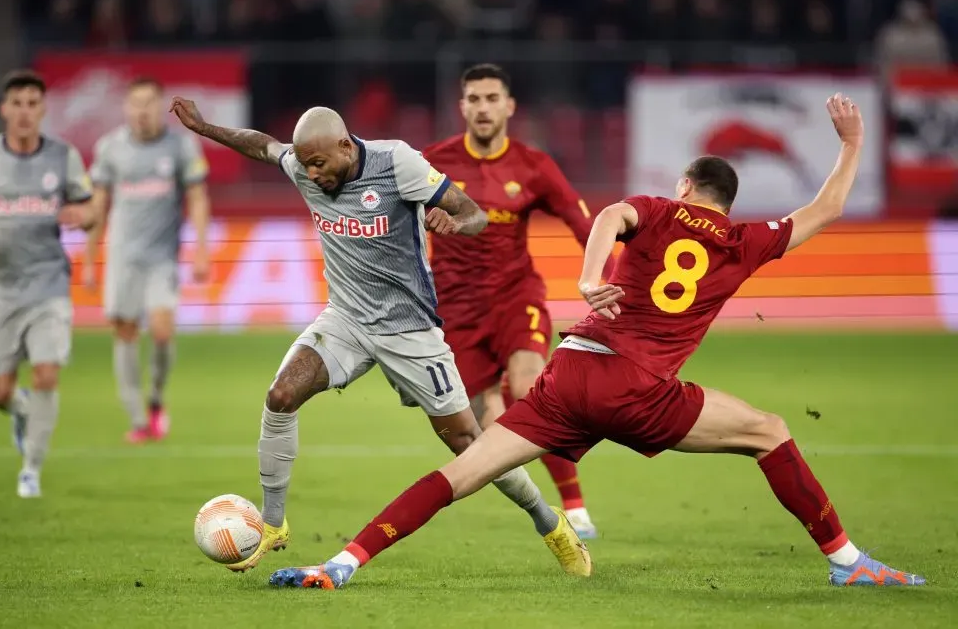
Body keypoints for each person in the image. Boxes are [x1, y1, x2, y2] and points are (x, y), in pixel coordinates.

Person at [270, 94, 927, 589]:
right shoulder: (745, 240)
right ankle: (847, 562)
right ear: (727, 201)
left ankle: (341, 563)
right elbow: (828, 209)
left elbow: (613, 213)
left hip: (572, 372)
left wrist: (588, 278)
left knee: (459, 473)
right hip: (640, 389)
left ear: (685, 187)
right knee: (770, 431)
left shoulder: (661, 208)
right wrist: (851, 141)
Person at [169, 98, 586, 575]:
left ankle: (549, 522)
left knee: (469, 442)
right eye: (305, 164)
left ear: (346, 147)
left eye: (321, 164)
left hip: (409, 329)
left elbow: (475, 214)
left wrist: (454, 223)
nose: (312, 174)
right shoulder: (304, 165)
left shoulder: (396, 162)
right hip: (345, 320)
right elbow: (263, 146)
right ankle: (273, 523)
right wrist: (204, 128)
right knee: (281, 395)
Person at [423, 63, 612, 538]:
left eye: (491, 98)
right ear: (461, 106)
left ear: (509, 106)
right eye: (474, 98)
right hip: (455, 310)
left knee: (530, 388)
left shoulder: (533, 165)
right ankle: (543, 511)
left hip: (514, 294)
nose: (482, 107)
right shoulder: (431, 163)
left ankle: (576, 506)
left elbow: (581, 221)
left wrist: (606, 280)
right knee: (487, 423)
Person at [0, 70, 96, 498]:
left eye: (33, 104)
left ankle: (31, 469)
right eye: (18, 104)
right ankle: (20, 409)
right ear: (4, 109)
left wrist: (83, 217)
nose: (25, 112)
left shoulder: (62, 157)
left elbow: (90, 211)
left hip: (49, 285)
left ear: (43, 109)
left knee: (47, 373)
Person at [84, 77, 211, 443]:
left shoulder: (181, 147)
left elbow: (198, 198)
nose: (142, 111)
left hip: (162, 258)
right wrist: (91, 260)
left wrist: (201, 250)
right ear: (127, 108)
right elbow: (99, 204)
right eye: (135, 103)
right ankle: (138, 418)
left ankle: (155, 399)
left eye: (149, 103)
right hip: (122, 257)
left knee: (161, 330)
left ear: (161, 108)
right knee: (123, 331)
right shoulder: (110, 148)